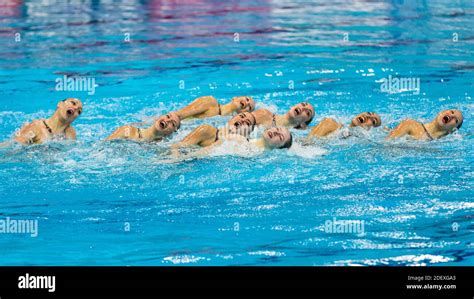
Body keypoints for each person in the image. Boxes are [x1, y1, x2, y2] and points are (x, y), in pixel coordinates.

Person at [12, 98, 83, 145]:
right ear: (60, 104)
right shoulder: (35, 127)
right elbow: (13, 148)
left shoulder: (71, 133)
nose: (76, 108)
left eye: (79, 111)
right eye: (73, 103)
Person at [171, 112, 256, 151]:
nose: (242, 120)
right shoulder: (206, 131)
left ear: (247, 133)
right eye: (241, 116)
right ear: (232, 118)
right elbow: (176, 147)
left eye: (247, 123)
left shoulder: (243, 147)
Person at [387, 109, 463, 140]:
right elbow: (387, 144)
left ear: (453, 130)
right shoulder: (410, 125)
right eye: (452, 112)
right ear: (441, 112)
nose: (452, 116)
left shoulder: (439, 145)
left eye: (456, 120)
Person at [106, 112, 181, 142]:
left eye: (173, 124)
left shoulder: (159, 147)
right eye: (168, 116)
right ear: (157, 118)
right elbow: (102, 148)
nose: (167, 120)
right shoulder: (127, 131)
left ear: (172, 132)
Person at [307, 112, 382, 138]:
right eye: (368, 113)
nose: (368, 116)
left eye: (373, 121)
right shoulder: (336, 125)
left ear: (370, 129)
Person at [175, 95, 255, 120]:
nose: (247, 103)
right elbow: (177, 116)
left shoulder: (226, 126)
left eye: (250, 107)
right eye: (247, 99)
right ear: (235, 98)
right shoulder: (210, 102)